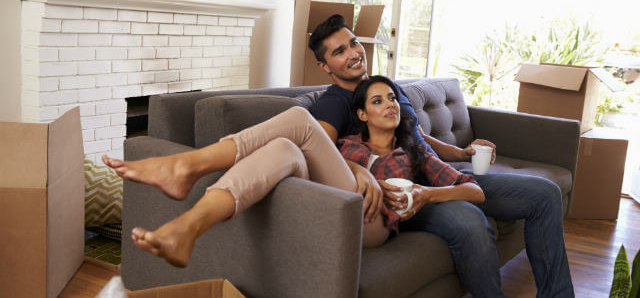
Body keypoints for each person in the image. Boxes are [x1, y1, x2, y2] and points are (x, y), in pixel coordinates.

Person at [307, 14, 574, 297]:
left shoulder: (386, 88)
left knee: (545, 194)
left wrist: (462, 151)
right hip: (403, 193)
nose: (353, 53)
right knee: (470, 221)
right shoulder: (333, 104)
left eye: (353, 43)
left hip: (439, 176)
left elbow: (417, 133)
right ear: (324, 66)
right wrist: (359, 171)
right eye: (339, 51)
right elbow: (318, 153)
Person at [100, 76, 482, 268]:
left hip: (372, 223)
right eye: (377, 100)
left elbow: (473, 190)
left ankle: (189, 165)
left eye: (393, 99)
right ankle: (187, 229)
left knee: (300, 119)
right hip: (329, 201)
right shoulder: (348, 143)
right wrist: (357, 168)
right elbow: (323, 160)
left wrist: (424, 193)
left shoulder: (414, 150)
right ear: (362, 114)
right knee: (283, 147)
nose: (390, 106)